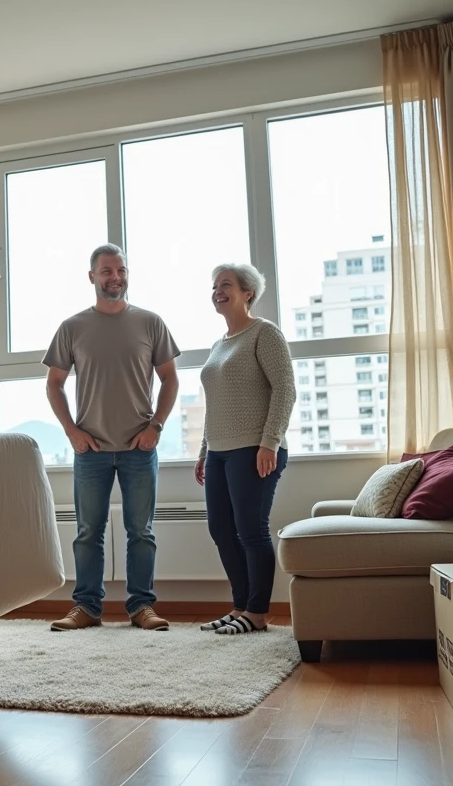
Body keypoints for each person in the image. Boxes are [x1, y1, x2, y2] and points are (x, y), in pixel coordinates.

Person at [43, 244, 180, 632]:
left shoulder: (150, 323)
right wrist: (71, 431)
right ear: (92, 277)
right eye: (106, 271)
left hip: (140, 448)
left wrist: (156, 427)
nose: (114, 277)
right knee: (88, 532)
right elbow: (54, 384)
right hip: (92, 451)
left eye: (120, 270)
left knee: (142, 532)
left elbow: (170, 378)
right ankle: (86, 607)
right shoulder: (72, 327)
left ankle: (142, 607)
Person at [194, 263, 296, 636]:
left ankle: (256, 613)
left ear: (247, 292)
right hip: (220, 452)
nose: (218, 291)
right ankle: (240, 607)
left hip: (255, 448)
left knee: (251, 531)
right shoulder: (219, 344)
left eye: (226, 285)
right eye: (214, 286)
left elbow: (285, 389)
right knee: (221, 529)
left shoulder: (264, 333)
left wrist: (270, 442)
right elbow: (215, 403)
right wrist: (205, 450)